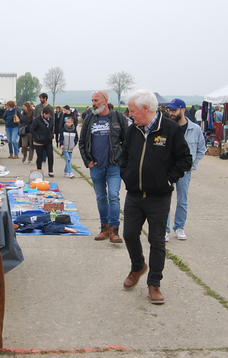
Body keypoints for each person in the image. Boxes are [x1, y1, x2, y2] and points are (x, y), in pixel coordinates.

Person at [119, 90, 192, 305]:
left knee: (157, 240)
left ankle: (154, 283)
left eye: (132, 111)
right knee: (129, 235)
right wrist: (126, 174)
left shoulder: (170, 129)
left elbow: (185, 159)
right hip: (134, 194)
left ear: (145, 108)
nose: (130, 115)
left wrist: (167, 181)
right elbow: (124, 156)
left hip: (159, 197)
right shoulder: (132, 130)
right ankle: (138, 267)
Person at [78, 90, 128, 243]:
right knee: (101, 198)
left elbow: (127, 141)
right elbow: (82, 142)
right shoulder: (90, 119)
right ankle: (104, 228)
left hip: (113, 166)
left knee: (113, 196)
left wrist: (121, 160)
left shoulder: (118, 117)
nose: (93, 103)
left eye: (96, 100)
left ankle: (114, 230)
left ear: (105, 101)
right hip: (96, 166)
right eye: (92, 100)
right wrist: (87, 161)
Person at [164, 99, 205, 242]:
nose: (171, 113)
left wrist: (193, 165)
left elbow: (201, 149)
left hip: (184, 171)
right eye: (170, 110)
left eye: (174, 110)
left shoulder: (195, 129)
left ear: (183, 110)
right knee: (165, 199)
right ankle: (165, 229)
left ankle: (179, 227)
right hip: (168, 170)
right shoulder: (167, 127)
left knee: (182, 200)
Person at [29, 105, 56, 177]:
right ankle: (39, 171)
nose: (47, 116)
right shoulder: (37, 119)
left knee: (50, 155)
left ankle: (50, 171)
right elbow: (32, 129)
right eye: (45, 114)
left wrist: (51, 135)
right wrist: (37, 137)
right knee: (40, 156)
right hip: (39, 141)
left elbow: (52, 128)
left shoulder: (51, 119)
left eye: (48, 114)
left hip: (48, 140)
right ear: (43, 113)